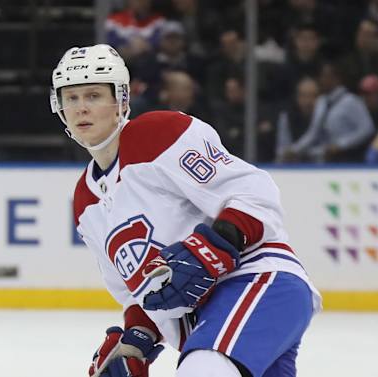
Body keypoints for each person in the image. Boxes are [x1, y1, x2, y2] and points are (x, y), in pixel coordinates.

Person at [50, 44, 321, 377]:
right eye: (71, 98)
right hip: (200, 325)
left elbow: (253, 192)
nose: (81, 108)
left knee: (202, 370)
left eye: (93, 95)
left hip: (255, 281)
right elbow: (142, 295)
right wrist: (136, 342)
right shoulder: (84, 203)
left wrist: (216, 243)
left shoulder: (158, 134)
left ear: (121, 100)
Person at [282, 61, 375, 162]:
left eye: (326, 76)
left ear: (337, 78)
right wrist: (295, 149)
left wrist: (341, 145)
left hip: (349, 156)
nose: (322, 80)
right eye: (321, 76)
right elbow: (314, 132)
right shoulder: (321, 101)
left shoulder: (351, 101)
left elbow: (367, 128)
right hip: (326, 157)